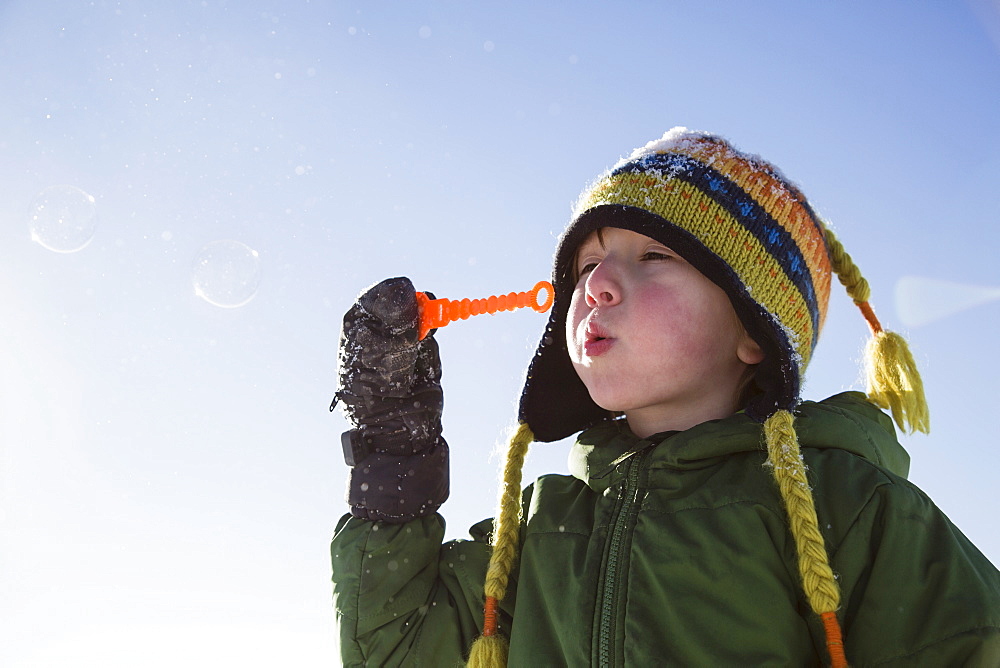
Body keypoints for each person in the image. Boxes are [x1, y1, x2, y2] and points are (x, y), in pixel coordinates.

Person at [330, 128, 1000, 667]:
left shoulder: (846, 504)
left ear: (753, 331)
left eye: (654, 256)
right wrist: (395, 448)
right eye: (587, 264)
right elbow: (394, 648)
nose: (597, 286)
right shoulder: (541, 530)